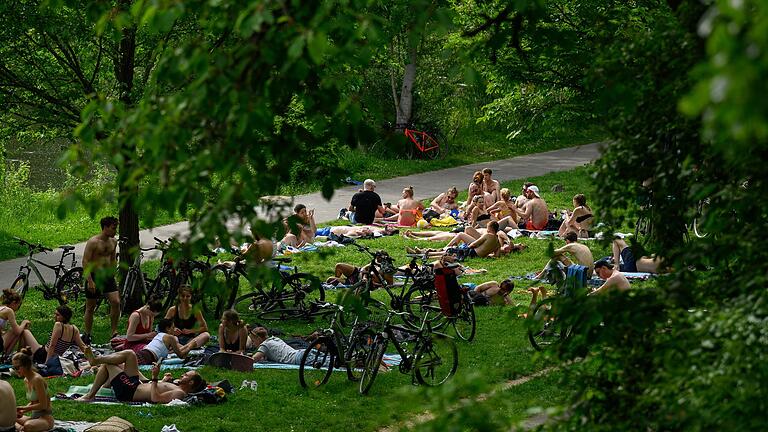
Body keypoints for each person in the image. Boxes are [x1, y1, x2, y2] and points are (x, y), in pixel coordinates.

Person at [78, 348, 206, 403]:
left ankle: (90, 395)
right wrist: (162, 380)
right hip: (139, 384)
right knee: (130, 354)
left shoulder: (180, 393)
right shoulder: (177, 386)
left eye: (186, 375)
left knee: (109, 366)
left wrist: (155, 378)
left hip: (130, 391)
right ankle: (97, 362)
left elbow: (155, 398)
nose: (183, 374)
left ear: (191, 383)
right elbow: (154, 388)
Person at [82, 216, 121, 343]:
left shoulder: (113, 241)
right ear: (105, 227)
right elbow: (85, 261)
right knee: (91, 306)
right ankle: (88, 333)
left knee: (115, 302)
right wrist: (90, 281)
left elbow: (113, 258)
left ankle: (114, 331)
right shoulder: (93, 242)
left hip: (107, 276)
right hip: (94, 276)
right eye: (113, 228)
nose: (115, 231)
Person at [18, 305, 87, 364]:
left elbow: (52, 345)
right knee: (34, 343)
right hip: (56, 357)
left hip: (43, 354)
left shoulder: (58, 325)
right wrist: (91, 359)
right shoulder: (74, 329)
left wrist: (47, 363)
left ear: (64, 316)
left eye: (57, 315)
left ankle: (19, 357)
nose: (55, 317)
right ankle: (23, 356)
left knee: (25, 331)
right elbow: (82, 346)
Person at [13, 348, 54, 432]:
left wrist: (23, 407)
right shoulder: (26, 380)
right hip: (34, 417)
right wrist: (23, 411)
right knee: (8, 418)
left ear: (26, 366)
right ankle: (21, 429)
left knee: (28, 426)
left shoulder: (37, 380)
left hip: (45, 418)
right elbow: (33, 402)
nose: (15, 370)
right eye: (14, 367)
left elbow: (43, 405)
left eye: (17, 367)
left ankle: (21, 429)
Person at [134, 318, 207, 365]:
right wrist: (191, 346)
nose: (174, 329)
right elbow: (181, 355)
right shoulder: (170, 337)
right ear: (168, 329)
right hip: (147, 356)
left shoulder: (159, 335)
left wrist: (189, 346)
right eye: (173, 327)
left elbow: (178, 351)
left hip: (143, 353)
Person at [1, 289, 30, 356]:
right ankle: (10, 355)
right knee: (18, 330)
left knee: (15, 330)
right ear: (14, 303)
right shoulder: (9, 311)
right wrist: (24, 323)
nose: (17, 308)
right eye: (18, 305)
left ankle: (6, 355)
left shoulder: (1, 308)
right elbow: (17, 331)